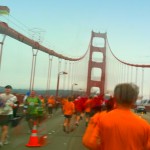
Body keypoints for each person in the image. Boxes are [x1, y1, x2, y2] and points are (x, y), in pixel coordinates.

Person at [82, 83, 150, 150]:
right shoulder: (144, 125)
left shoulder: (101, 117)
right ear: (134, 100)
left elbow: (88, 142)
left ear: (115, 97)